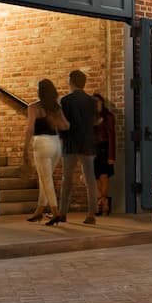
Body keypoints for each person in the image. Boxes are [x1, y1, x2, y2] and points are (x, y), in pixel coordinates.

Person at [55, 70, 99, 225]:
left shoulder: (66, 100)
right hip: (87, 143)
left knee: (67, 179)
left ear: (71, 81)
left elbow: (62, 122)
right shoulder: (92, 101)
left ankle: (62, 213)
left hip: (70, 143)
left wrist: (60, 138)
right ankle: (91, 214)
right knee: (90, 180)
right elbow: (94, 121)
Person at [23, 79, 69, 224]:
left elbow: (30, 128)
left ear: (39, 91)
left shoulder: (33, 107)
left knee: (46, 179)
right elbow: (66, 126)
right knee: (45, 178)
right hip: (56, 143)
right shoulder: (56, 108)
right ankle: (39, 211)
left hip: (42, 143)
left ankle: (55, 213)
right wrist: (54, 120)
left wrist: (25, 148)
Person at [93, 93, 116, 215]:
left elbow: (112, 136)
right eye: (93, 101)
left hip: (104, 148)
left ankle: (100, 202)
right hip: (93, 149)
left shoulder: (108, 116)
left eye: (97, 101)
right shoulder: (91, 117)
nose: (95, 103)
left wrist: (111, 156)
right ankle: (104, 201)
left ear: (102, 102)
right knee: (95, 176)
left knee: (103, 176)